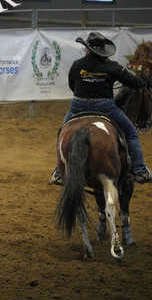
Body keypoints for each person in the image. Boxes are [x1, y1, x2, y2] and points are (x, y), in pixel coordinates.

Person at [50, 31, 152, 185]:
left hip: (78, 106)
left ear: (87, 49)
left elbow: (72, 85)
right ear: (103, 50)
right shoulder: (112, 66)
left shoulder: (77, 65)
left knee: (62, 132)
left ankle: (59, 171)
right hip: (105, 107)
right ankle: (139, 169)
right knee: (131, 133)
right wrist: (143, 80)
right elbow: (135, 84)